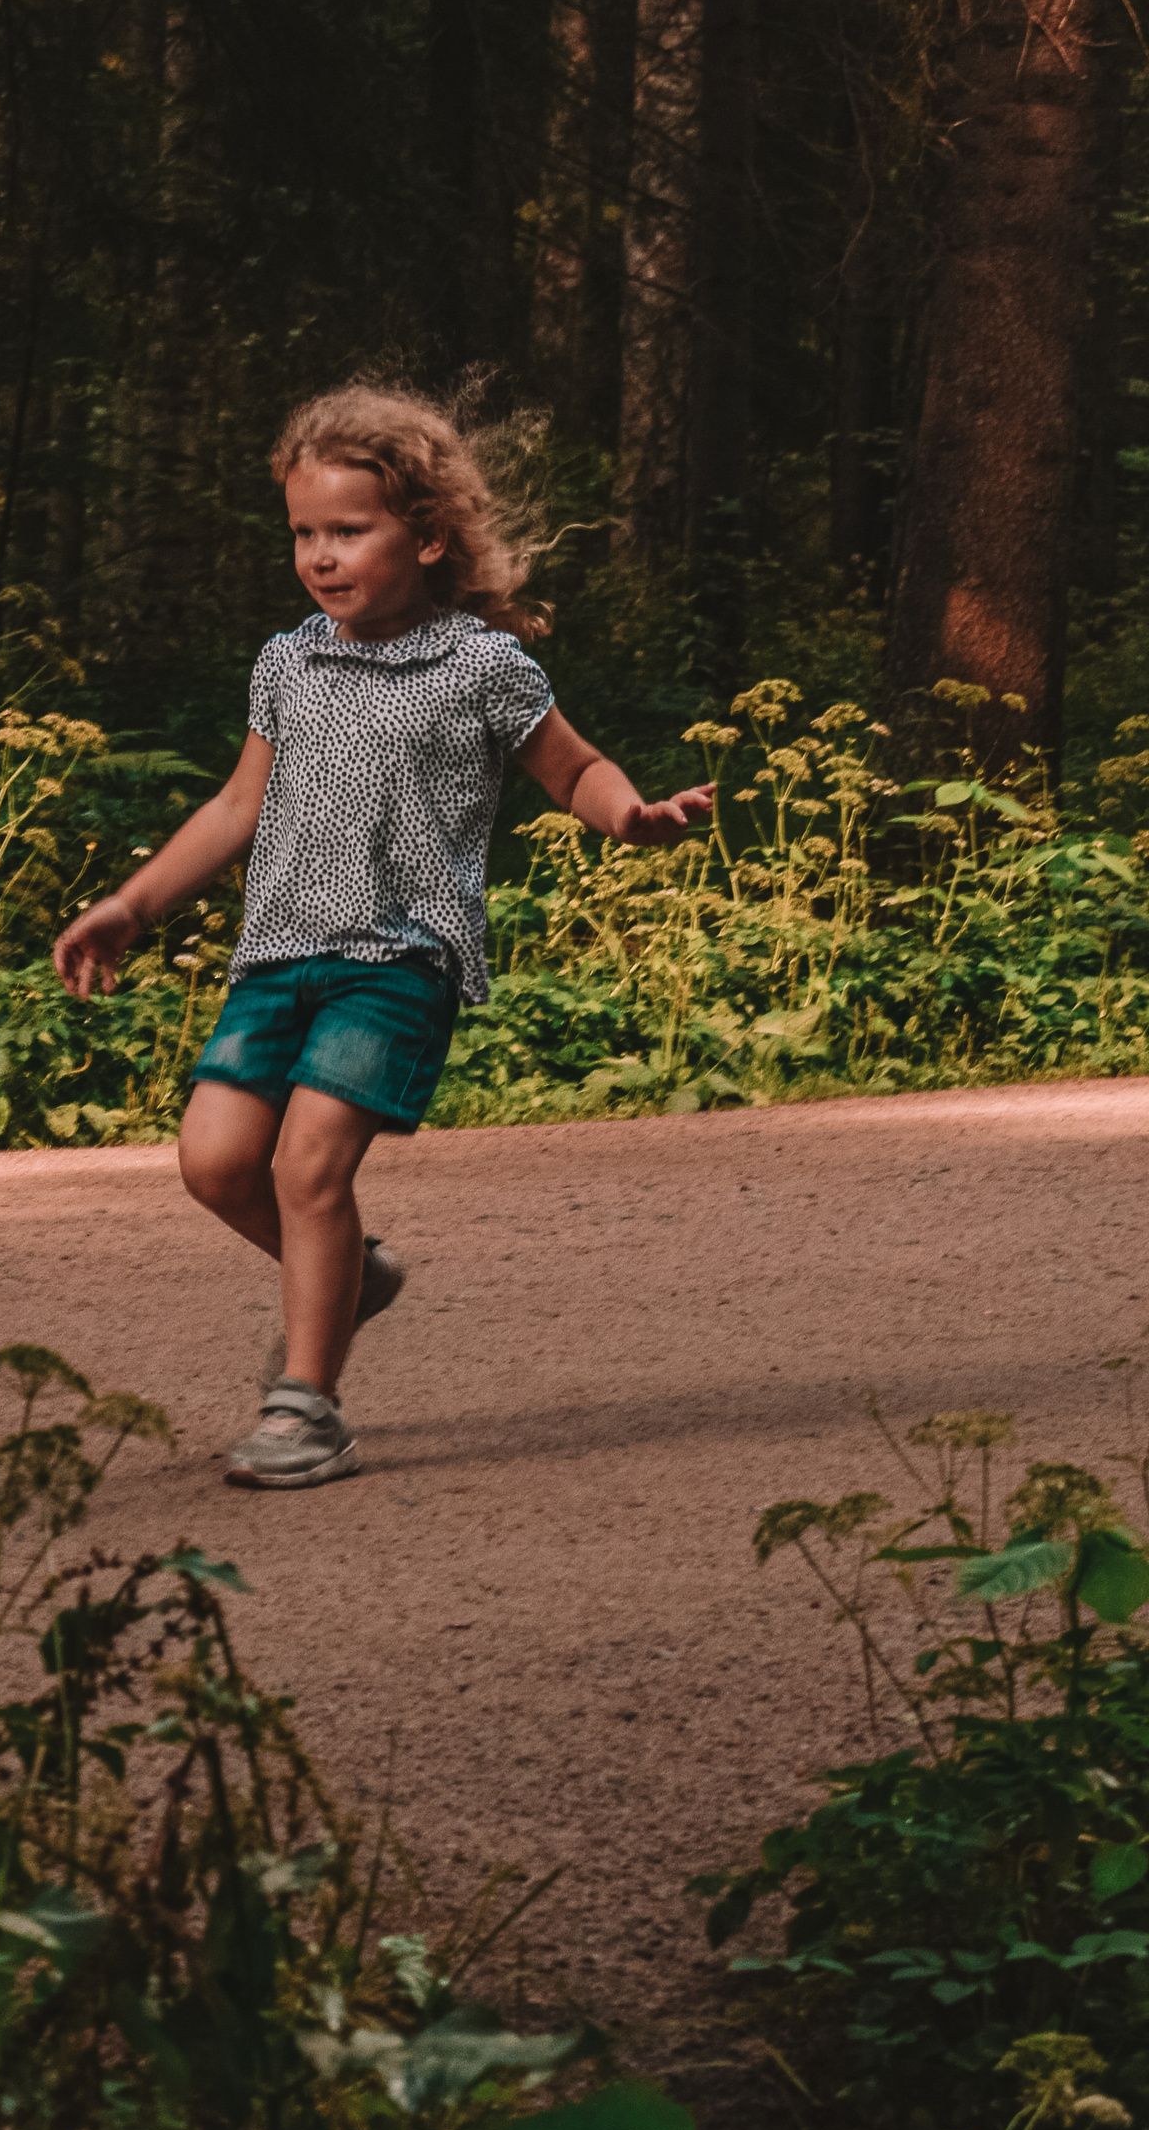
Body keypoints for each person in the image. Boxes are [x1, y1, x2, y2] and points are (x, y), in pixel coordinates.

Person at [51, 386, 711, 1492]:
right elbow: (231, 809)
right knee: (213, 1164)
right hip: (276, 956)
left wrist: (629, 817)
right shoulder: (287, 662)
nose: (320, 555)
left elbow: (572, 768)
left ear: (428, 536)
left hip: (401, 959)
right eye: (304, 532)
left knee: (310, 1164)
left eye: (348, 530)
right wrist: (131, 904)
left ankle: (305, 1403)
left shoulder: (481, 666)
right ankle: (351, 1276)